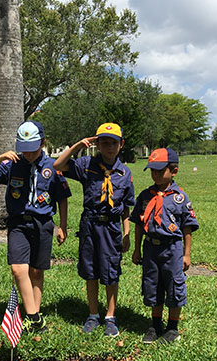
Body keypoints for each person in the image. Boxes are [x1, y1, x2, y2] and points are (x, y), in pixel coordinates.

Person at [0, 121, 71, 333]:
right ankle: (32, 316)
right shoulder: (11, 164)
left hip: (43, 223)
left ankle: (34, 315)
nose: (28, 155)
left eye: (32, 149)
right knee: (18, 268)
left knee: (36, 271)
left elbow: (62, 198)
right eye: (24, 150)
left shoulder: (53, 166)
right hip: (18, 223)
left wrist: (63, 226)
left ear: (43, 142)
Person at [53, 123, 135, 337]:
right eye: (104, 143)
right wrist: (77, 146)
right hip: (90, 224)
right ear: (97, 144)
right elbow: (58, 166)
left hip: (111, 226)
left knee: (111, 271)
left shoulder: (124, 173)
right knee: (90, 271)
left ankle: (110, 316)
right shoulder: (86, 164)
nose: (109, 147)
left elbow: (126, 207)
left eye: (113, 143)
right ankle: (92, 314)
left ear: (121, 145)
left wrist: (126, 233)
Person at [130, 148, 199, 344]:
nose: (156, 175)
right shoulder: (145, 196)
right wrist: (136, 249)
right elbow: (138, 224)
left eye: (160, 171)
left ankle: (172, 327)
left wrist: (186, 254)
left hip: (172, 249)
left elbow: (187, 228)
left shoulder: (180, 197)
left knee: (174, 285)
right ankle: (155, 325)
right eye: (152, 171)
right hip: (150, 248)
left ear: (174, 171)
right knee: (153, 285)